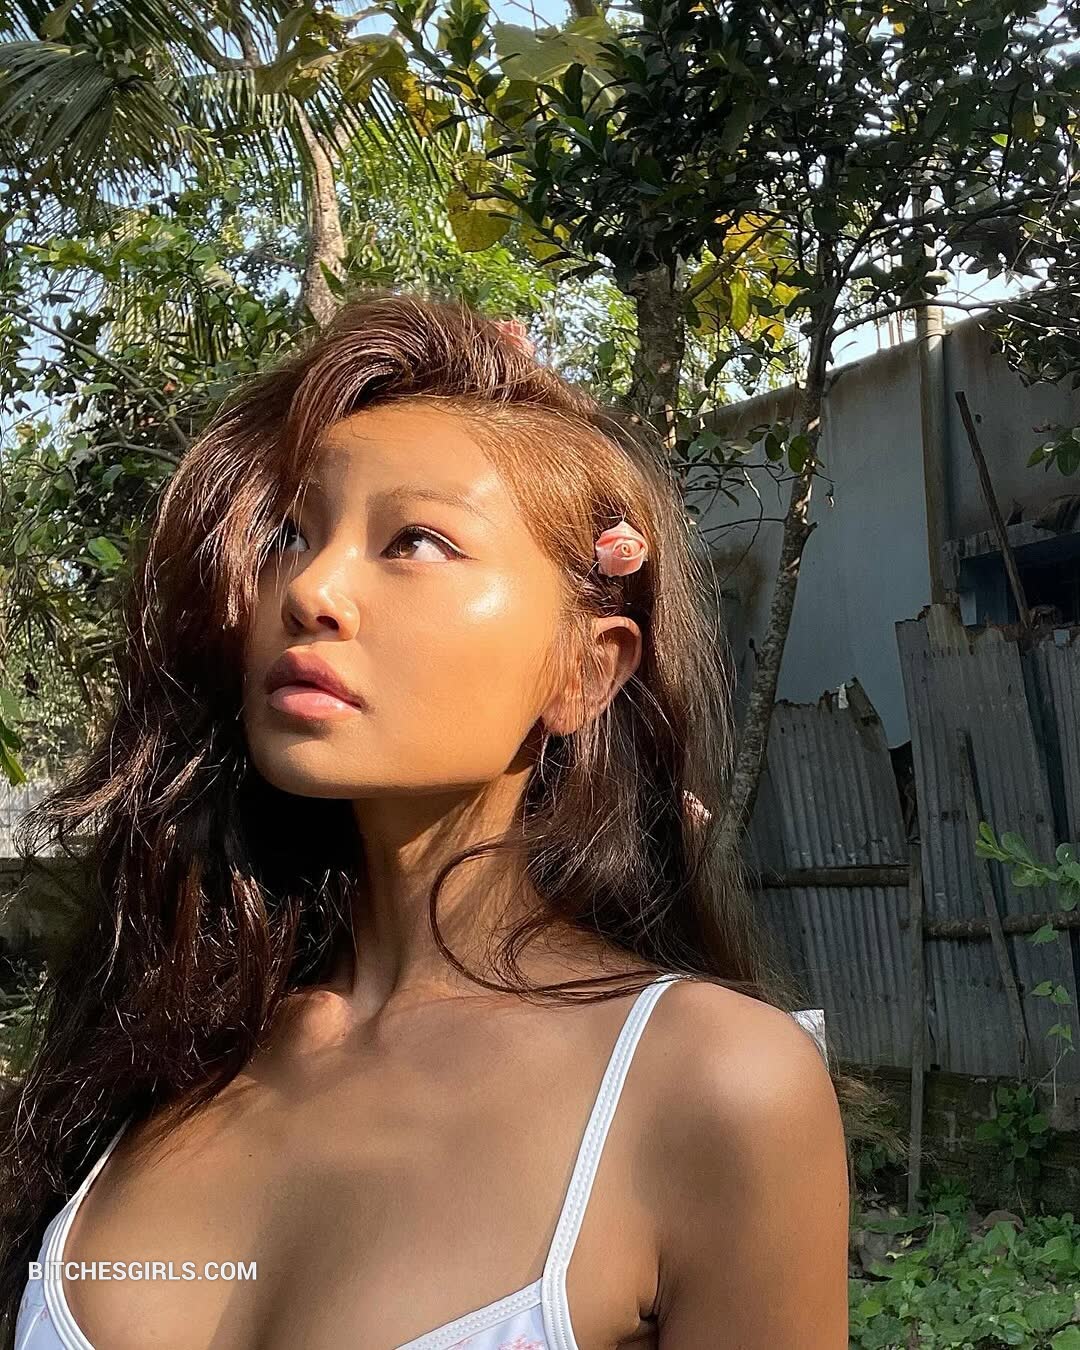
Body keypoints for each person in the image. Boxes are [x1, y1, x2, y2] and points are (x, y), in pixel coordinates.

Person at [1, 291, 848, 1349]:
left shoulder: (712, 1086)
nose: (311, 588)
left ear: (586, 671)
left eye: (418, 541)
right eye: (292, 534)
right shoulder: (160, 1034)